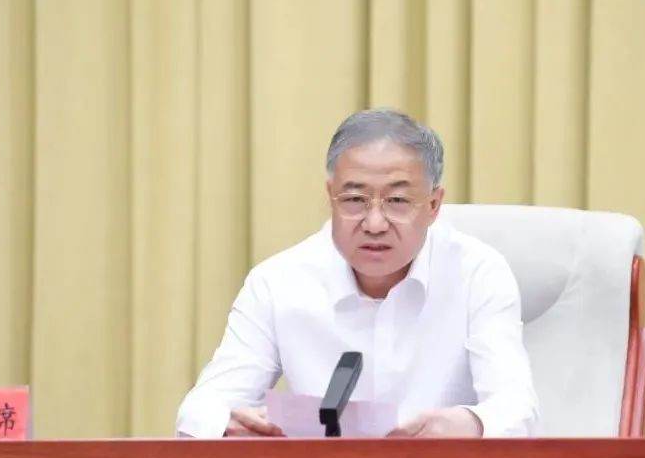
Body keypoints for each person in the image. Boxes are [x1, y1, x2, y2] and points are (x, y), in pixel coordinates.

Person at [176, 109, 537, 438]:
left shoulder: (477, 274)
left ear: (433, 205)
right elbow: (200, 410)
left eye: (397, 201)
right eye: (354, 200)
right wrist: (230, 426)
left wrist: (471, 424)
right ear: (330, 195)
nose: (374, 224)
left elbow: (518, 411)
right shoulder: (277, 282)